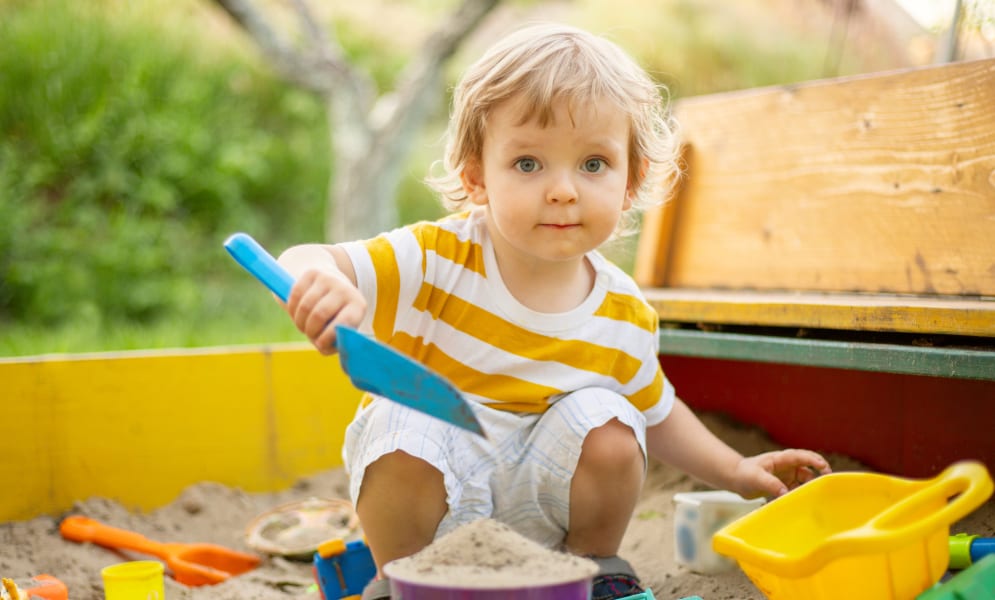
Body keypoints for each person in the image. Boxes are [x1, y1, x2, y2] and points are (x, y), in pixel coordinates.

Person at [275, 22, 831, 600]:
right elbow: (310, 258)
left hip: (545, 516)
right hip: (435, 506)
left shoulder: (623, 311)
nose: (563, 190)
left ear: (631, 180)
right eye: (528, 164)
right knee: (400, 421)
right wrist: (314, 278)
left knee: (612, 419)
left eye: (593, 165)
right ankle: (402, 581)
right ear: (476, 177)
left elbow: (658, 413)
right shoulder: (435, 257)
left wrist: (737, 472)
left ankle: (593, 569)